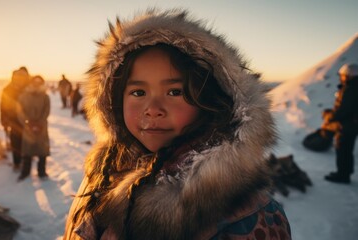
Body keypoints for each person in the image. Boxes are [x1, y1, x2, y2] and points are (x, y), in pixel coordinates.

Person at [63, 9, 291, 240]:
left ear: (208, 100)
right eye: (138, 92)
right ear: (113, 101)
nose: (153, 109)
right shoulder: (106, 170)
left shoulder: (250, 218)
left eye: (174, 92)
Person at [324, 63, 358, 184]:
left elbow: (343, 109)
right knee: (347, 150)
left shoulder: (350, 89)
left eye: (343, 75)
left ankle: (342, 175)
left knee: (342, 150)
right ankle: (345, 173)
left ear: (348, 75)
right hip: (353, 125)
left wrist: (329, 117)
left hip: (346, 125)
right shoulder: (353, 87)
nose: (341, 77)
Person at [16, 75, 50, 181]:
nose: (37, 84)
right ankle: (25, 172)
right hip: (28, 128)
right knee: (27, 151)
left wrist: (40, 123)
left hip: (42, 127)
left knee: (42, 151)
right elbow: (19, 111)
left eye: (39, 82)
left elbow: (46, 110)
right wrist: (27, 123)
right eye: (35, 81)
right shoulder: (23, 96)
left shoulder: (45, 96)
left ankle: (42, 172)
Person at [0, 67, 30, 171]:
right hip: (13, 120)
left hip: (26, 120)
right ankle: (17, 162)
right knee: (15, 142)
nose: (20, 78)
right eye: (18, 76)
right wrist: (4, 120)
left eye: (22, 76)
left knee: (26, 141)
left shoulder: (28, 88)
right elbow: (3, 106)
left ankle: (25, 161)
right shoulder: (8, 89)